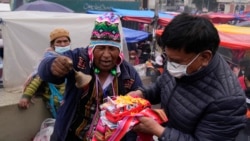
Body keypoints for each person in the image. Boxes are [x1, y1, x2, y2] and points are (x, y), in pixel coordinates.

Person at [128, 13, 247, 141]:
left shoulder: (228, 100)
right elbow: (162, 84)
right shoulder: (180, 61)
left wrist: (158, 130)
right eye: (168, 58)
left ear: (205, 57)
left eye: (176, 61)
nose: (170, 65)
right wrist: (142, 93)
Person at [37, 12, 142, 141]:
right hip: (73, 136)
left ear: (119, 51)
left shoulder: (129, 74)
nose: (106, 55)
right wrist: (52, 66)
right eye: (101, 48)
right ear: (92, 49)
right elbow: (45, 69)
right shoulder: (78, 59)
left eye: (112, 49)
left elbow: (137, 110)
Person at [18, 28, 71, 118]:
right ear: (52, 45)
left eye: (65, 41)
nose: (63, 44)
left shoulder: (73, 57)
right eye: (58, 42)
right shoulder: (48, 61)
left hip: (70, 98)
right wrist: (26, 97)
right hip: (56, 99)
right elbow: (37, 79)